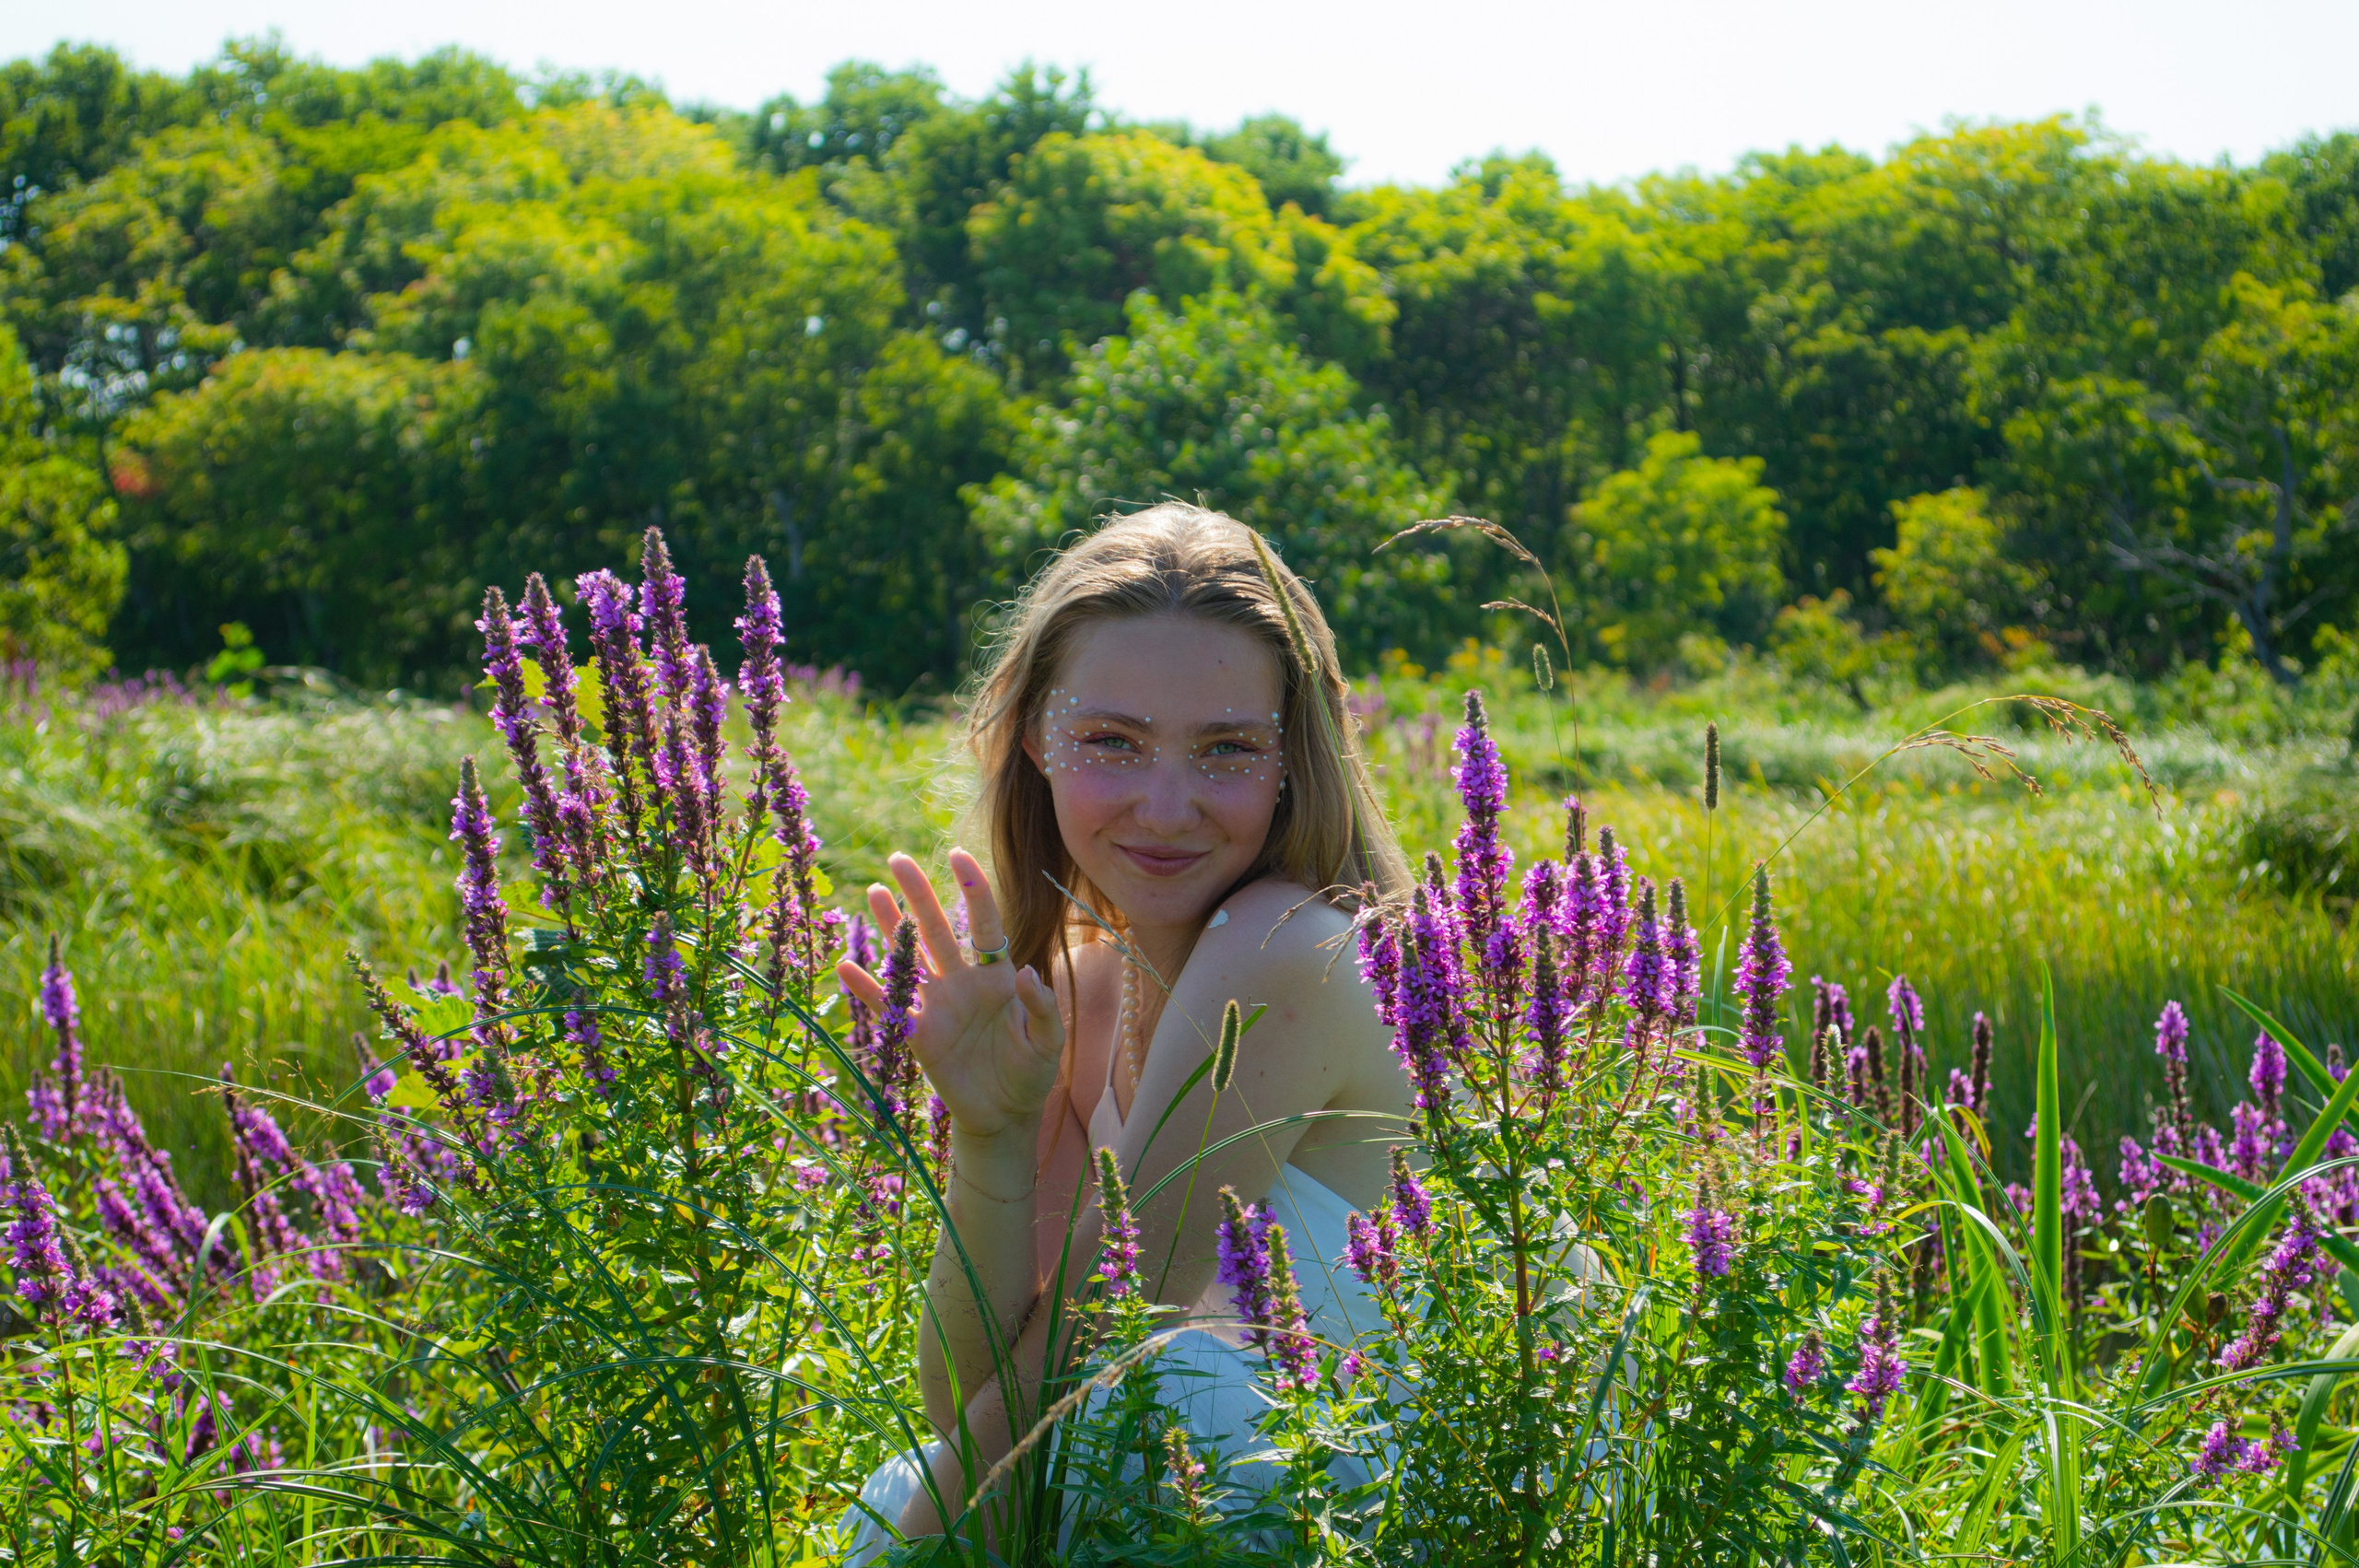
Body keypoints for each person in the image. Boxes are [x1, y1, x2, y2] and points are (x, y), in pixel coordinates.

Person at [837, 504, 1414, 1555]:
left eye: (1228, 749)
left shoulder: (1290, 946)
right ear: (1031, 737)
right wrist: (992, 1132)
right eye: (1112, 740)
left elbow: (1068, 1377)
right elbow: (980, 1399)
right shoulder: (1079, 986)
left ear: (1298, 758)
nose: (1164, 803)